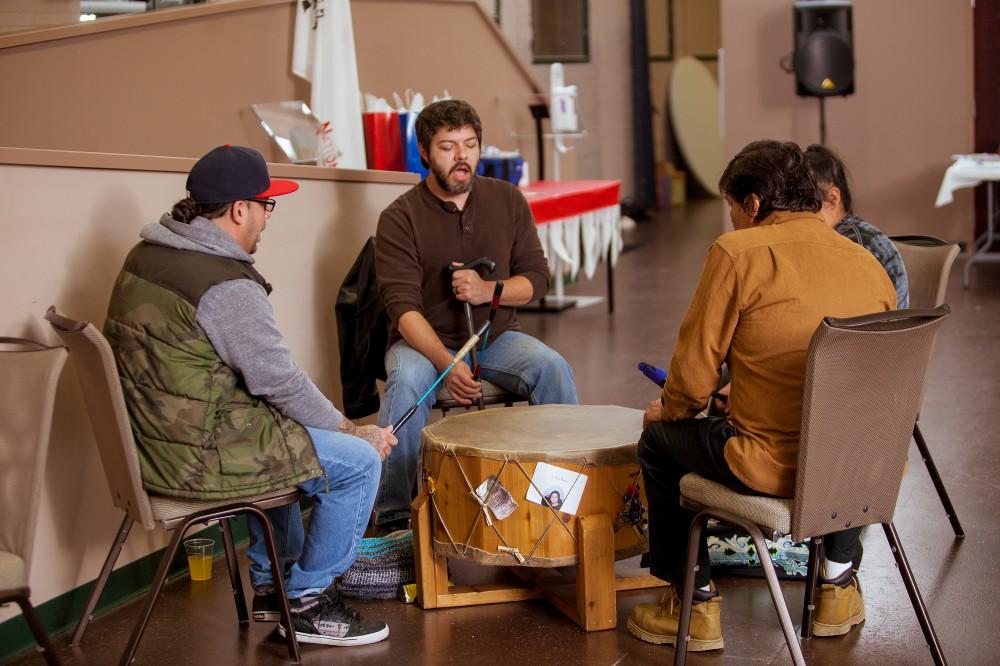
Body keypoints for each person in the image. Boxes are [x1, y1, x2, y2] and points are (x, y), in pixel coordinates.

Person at [103, 145, 397, 647]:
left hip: (155, 441)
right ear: (240, 210)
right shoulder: (223, 286)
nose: (267, 218)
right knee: (359, 464)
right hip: (194, 457)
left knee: (281, 427)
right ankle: (306, 603)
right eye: (266, 205)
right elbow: (279, 381)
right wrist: (354, 431)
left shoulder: (148, 254)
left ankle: (272, 585)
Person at [626, 141, 896, 652]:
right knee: (847, 431)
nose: (732, 221)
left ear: (752, 205)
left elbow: (692, 383)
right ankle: (837, 587)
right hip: (860, 466)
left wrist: (668, 410)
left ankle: (693, 606)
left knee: (659, 442)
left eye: (732, 209)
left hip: (772, 467)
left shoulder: (737, 252)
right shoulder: (866, 262)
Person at [374, 100, 579, 534]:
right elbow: (403, 310)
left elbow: (537, 280)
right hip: (423, 344)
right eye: (448, 146)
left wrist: (489, 290)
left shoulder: (507, 200)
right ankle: (393, 520)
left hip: (496, 338)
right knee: (406, 381)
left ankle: (562, 502)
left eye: (469, 144)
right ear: (424, 152)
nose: (461, 156)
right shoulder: (400, 217)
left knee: (553, 367)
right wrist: (447, 363)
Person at [805, 144, 910, 308]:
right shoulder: (842, 235)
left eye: (805, 205)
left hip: (877, 324)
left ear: (832, 199)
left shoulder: (854, 246)